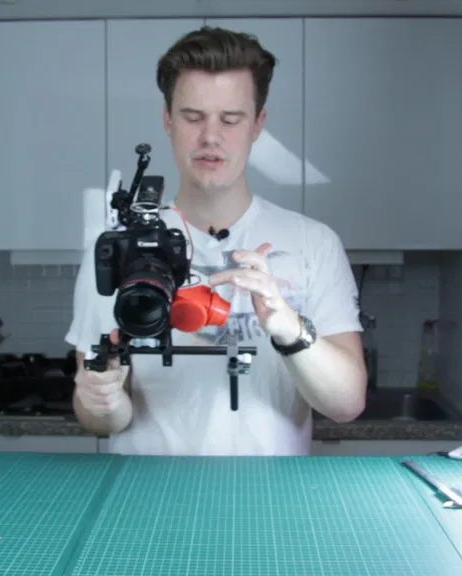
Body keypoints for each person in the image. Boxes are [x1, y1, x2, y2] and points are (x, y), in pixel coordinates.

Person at [65, 26, 367, 456]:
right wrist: (103, 400)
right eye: (193, 117)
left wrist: (287, 325)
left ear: (258, 124)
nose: (211, 137)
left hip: (268, 492)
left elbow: (346, 405)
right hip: (143, 493)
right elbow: (100, 419)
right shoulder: (118, 249)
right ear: (168, 120)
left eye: (230, 119)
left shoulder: (313, 243)